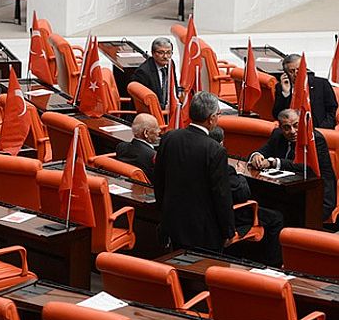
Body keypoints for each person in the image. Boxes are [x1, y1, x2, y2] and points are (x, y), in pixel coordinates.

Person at [154, 91, 235, 252]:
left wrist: (163, 213)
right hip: (203, 230)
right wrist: (228, 230)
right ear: (211, 119)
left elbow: (159, 179)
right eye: (218, 114)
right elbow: (221, 194)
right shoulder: (215, 150)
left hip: (172, 221)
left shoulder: (169, 138)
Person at [210, 127, 284, 267]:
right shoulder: (224, 168)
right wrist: (239, 175)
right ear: (221, 143)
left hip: (206, 214)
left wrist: (256, 155)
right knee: (276, 218)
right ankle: (272, 265)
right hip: (228, 216)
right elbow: (243, 194)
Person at [249, 108, 337, 220]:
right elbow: (263, 151)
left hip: (315, 197)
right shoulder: (277, 135)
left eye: (296, 125)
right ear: (280, 128)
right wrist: (256, 156)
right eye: (287, 128)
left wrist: (275, 162)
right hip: (286, 192)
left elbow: (307, 166)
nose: (293, 131)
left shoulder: (314, 139)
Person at [272, 54, 337, 129]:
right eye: (292, 71)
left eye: (299, 69)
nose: (296, 74)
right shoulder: (281, 87)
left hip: (319, 129)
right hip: (293, 131)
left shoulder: (322, 84)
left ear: (305, 68)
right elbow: (277, 115)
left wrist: (321, 130)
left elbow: (332, 110)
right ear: (286, 73)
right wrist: (286, 94)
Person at [129, 37, 178, 110]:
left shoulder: (170, 63)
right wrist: (164, 108)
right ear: (153, 53)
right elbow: (142, 102)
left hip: (169, 110)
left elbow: (174, 87)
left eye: (168, 53)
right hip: (151, 113)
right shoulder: (143, 72)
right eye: (161, 53)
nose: (165, 56)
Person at [115, 114, 159, 182]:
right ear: (146, 133)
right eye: (156, 129)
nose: (159, 132)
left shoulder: (121, 147)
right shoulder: (153, 156)